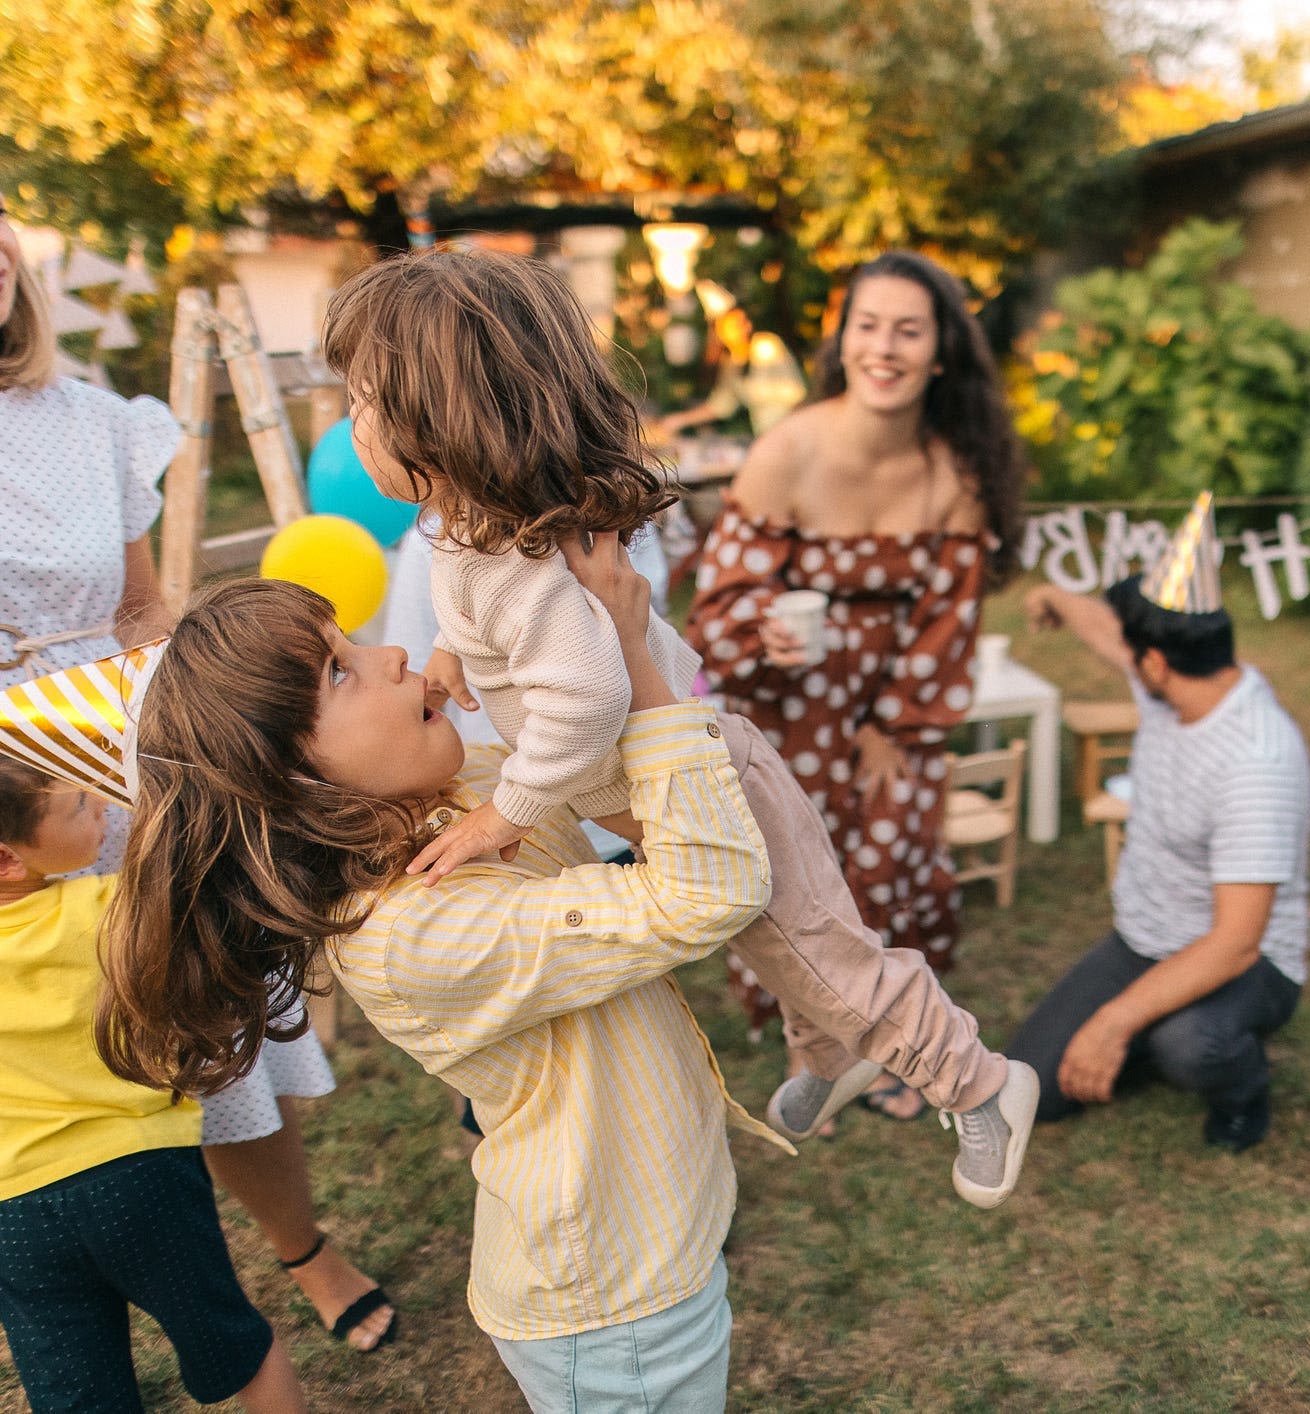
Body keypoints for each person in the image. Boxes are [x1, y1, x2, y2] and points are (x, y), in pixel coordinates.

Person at [320, 250, 1035, 1205]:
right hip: (652, 788)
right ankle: (834, 1056)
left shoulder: (527, 566)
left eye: (362, 399)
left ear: (440, 416)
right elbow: (473, 612)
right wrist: (452, 653)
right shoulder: (470, 529)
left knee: (821, 944)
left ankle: (980, 1082)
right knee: (779, 937)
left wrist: (508, 815)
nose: (348, 422)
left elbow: (586, 701)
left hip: (704, 773)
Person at [3, 555, 767, 1409]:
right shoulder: (412, 929)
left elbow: (595, 761)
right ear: (285, 783)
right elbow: (709, 889)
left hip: (657, 1234)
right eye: (340, 669)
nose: (394, 656)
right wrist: (630, 656)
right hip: (615, 1298)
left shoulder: (458, 801)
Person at [0, 196, 395, 1351]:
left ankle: (300, 1252)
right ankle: (67, 1292)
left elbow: (136, 605)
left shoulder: (91, 423)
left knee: (206, 1025)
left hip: (115, 756)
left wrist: (183, 747)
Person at [684, 250, 1025, 1120]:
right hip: (782, 710)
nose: (885, 347)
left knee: (883, 863)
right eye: (867, 326)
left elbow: (949, 627)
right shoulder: (787, 449)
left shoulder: (956, 474)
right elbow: (718, 602)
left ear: (939, 350)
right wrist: (760, 630)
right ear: (843, 341)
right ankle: (821, 1047)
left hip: (889, 714)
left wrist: (896, 729)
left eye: (907, 330)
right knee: (792, 880)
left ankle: (901, 1056)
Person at [0, 756, 307, 1413]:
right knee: (236, 1347)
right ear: (7, 859)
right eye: (82, 806)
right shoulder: (105, 907)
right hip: (139, 1179)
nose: (106, 809)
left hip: (13, 1212)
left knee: (76, 1395)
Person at [1008, 496, 1310, 1153]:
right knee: (1032, 1087)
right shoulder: (1171, 682)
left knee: (1191, 1044)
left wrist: (1114, 1021)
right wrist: (1052, 594)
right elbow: (1102, 628)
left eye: (1133, 651)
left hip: (1248, 962)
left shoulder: (1256, 761)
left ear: (1155, 663)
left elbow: (1236, 941)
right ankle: (1152, 1020)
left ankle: (1241, 1091)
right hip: (1144, 939)